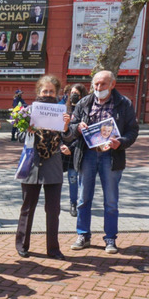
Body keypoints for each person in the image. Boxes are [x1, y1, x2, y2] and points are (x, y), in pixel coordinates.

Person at [69, 70, 139, 254]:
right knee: (84, 198)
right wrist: (77, 127)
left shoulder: (124, 104)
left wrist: (121, 143)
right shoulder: (84, 102)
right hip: (88, 154)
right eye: (96, 84)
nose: (98, 88)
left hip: (111, 156)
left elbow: (132, 131)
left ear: (113, 85)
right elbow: (70, 127)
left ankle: (110, 239)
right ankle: (83, 235)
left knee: (111, 200)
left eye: (103, 84)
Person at [16, 74, 75, 259]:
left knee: (53, 210)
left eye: (51, 91)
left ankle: (53, 248)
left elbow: (70, 137)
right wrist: (28, 131)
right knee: (27, 207)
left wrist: (66, 127)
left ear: (57, 93)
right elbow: (18, 137)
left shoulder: (62, 111)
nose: (48, 94)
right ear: (38, 92)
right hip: (32, 164)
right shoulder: (28, 110)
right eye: (45, 91)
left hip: (53, 165)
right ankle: (22, 245)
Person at [62, 83, 88, 216]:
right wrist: (62, 145)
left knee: (73, 178)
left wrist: (70, 148)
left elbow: (83, 134)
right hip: (61, 150)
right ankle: (53, 202)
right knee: (55, 178)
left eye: (76, 94)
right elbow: (58, 129)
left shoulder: (85, 111)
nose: (73, 96)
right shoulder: (63, 109)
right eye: (71, 93)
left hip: (75, 150)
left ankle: (73, 203)